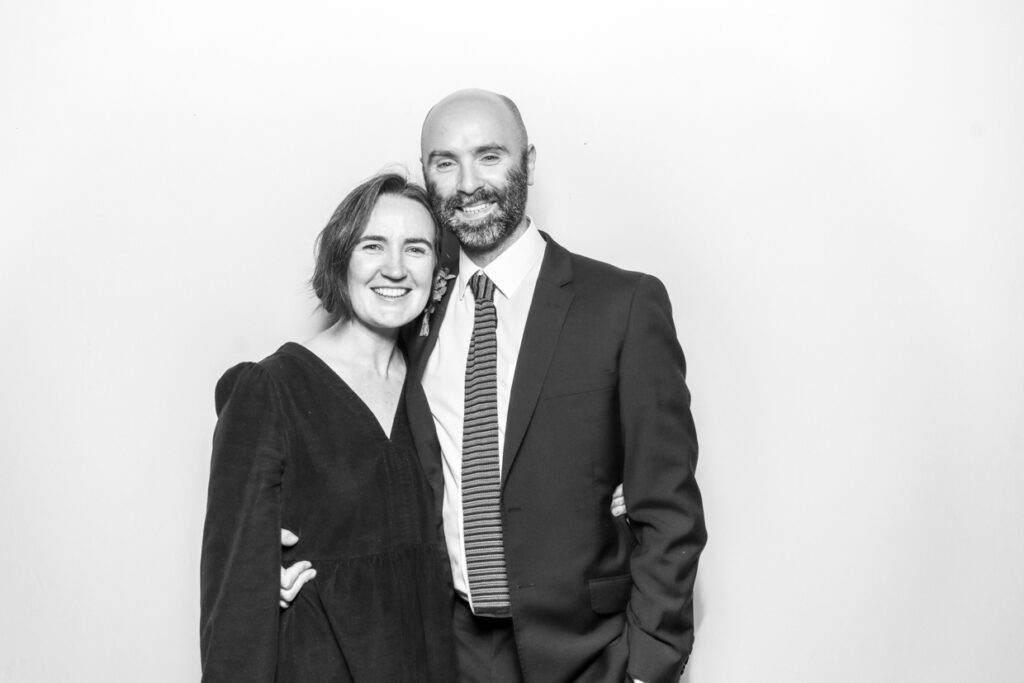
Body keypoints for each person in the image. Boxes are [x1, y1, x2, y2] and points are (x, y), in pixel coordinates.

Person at [284, 89, 707, 683]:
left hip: (591, 654)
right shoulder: (409, 311)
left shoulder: (622, 305)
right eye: (444, 161)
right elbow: (333, 419)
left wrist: (647, 667)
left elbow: (669, 510)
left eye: (489, 156)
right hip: (445, 649)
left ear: (528, 164)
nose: (467, 183)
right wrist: (272, 542)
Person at [200, 172, 456, 682]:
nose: (395, 268)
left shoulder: (434, 380)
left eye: (417, 249)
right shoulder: (271, 389)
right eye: (373, 245)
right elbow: (232, 605)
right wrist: (256, 573)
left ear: (437, 271)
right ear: (341, 260)